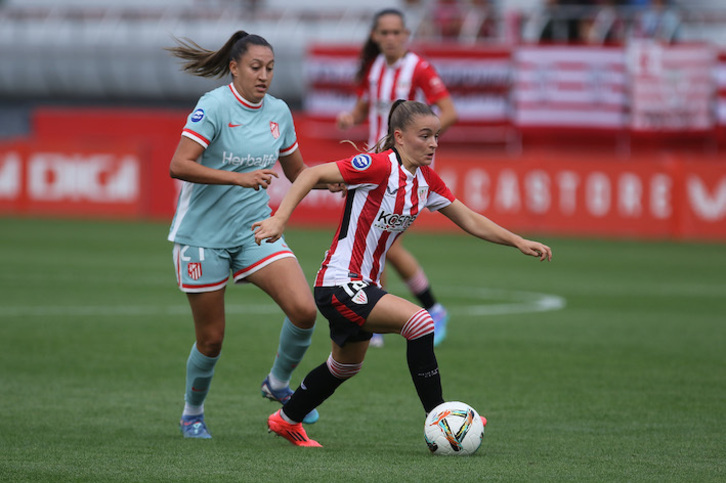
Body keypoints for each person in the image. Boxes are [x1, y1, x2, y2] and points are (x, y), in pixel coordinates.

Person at [253, 100, 552, 447]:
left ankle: (286, 419)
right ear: (399, 137)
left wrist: (517, 241)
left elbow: (469, 219)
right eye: (424, 136)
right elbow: (311, 173)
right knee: (420, 322)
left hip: (361, 285)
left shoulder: (426, 181)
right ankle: (442, 419)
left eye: (436, 136)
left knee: (345, 366)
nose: (433, 143)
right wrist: (279, 218)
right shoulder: (378, 166)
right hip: (340, 282)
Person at [166, 30, 327, 438]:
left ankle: (276, 383)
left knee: (305, 310)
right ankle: (192, 413)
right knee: (211, 340)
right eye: (255, 67)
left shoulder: (279, 112)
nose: (264, 75)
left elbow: (297, 173)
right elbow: (179, 164)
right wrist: (236, 179)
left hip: (255, 230)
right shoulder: (214, 106)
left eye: (270, 68)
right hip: (202, 237)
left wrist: (337, 180)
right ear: (234, 68)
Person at [336, 8, 458, 347]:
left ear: (406, 35)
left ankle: (427, 308)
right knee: (377, 239)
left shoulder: (417, 68)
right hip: (377, 165)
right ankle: (379, 314)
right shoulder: (374, 68)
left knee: (384, 240)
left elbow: (449, 112)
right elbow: (365, 107)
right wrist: (351, 117)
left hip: (401, 167)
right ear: (376, 37)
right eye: (384, 33)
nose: (390, 38)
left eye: (396, 32)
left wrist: (420, 139)